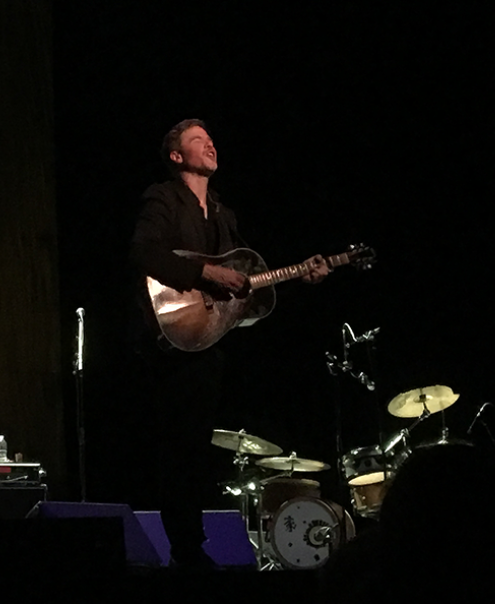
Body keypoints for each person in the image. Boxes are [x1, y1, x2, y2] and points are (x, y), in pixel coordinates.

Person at [129, 119, 328, 569]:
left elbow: (248, 279)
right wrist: (205, 273)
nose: (210, 144)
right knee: (179, 447)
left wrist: (302, 272)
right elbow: (144, 252)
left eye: (211, 139)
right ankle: (185, 550)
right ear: (177, 156)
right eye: (198, 141)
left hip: (206, 343)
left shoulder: (222, 212)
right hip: (169, 340)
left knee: (196, 449)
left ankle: (191, 546)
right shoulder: (163, 198)